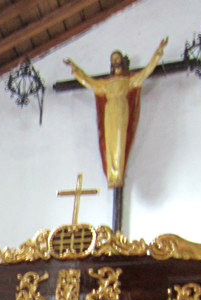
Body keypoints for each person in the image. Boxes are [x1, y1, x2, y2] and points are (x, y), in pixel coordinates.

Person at [64, 37, 168, 188]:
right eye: (113, 59)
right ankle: (112, 175)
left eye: (118, 58)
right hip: (109, 111)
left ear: (122, 61)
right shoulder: (105, 84)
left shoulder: (128, 81)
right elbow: (88, 81)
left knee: (119, 141)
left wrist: (158, 52)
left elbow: (146, 72)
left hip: (121, 110)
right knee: (110, 142)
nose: (115, 60)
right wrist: (75, 68)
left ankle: (117, 174)